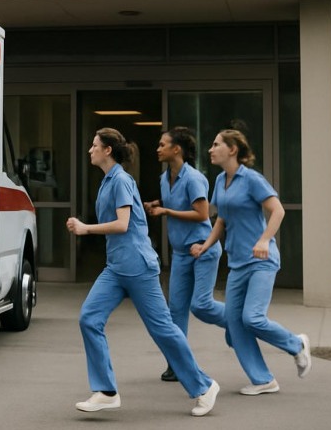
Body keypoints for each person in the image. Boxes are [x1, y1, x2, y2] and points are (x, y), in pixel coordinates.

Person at [67, 128, 219, 417]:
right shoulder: (107, 181)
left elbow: (123, 224)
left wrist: (86, 228)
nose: (90, 150)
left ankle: (204, 386)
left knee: (162, 330)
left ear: (107, 150)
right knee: (89, 318)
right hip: (116, 268)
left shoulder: (121, 180)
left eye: (94, 145)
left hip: (138, 267)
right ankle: (106, 391)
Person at [190, 129, 311, 396]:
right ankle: (263, 379)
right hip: (237, 263)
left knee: (252, 318)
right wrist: (206, 244)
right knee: (235, 323)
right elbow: (222, 218)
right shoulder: (221, 180)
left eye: (216, 144)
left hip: (261, 261)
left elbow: (277, 210)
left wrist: (265, 240)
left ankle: (296, 344)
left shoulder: (252, 179)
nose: (211, 149)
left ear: (233, 149)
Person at [143, 127, 227, 383]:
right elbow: (175, 203)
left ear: (176, 149)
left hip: (203, 249)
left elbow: (202, 214)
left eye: (162, 144)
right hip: (181, 253)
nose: (158, 148)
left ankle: (239, 319)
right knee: (175, 311)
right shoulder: (164, 177)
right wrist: (157, 205)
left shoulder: (193, 178)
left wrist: (167, 212)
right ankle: (176, 364)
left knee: (201, 305)